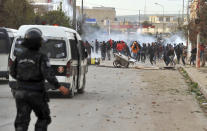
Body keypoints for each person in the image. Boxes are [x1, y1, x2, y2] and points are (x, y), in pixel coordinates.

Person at [9, 29, 69, 131]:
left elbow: (12, 72)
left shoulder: (19, 56)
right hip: (36, 93)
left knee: (21, 121)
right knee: (44, 117)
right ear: (38, 42)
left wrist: (23, 81)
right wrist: (59, 86)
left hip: (20, 93)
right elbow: (48, 74)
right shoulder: (41, 57)